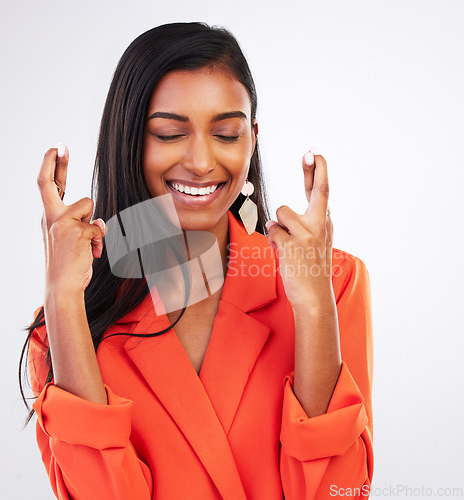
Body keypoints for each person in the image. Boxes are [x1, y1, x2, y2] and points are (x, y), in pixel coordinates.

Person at [20, 21, 374, 500]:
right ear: (129, 140)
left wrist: (313, 310)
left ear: (251, 139)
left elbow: (341, 492)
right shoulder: (67, 323)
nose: (202, 161)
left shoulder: (333, 282)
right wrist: (62, 299)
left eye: (226, 133)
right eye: (170, 134)